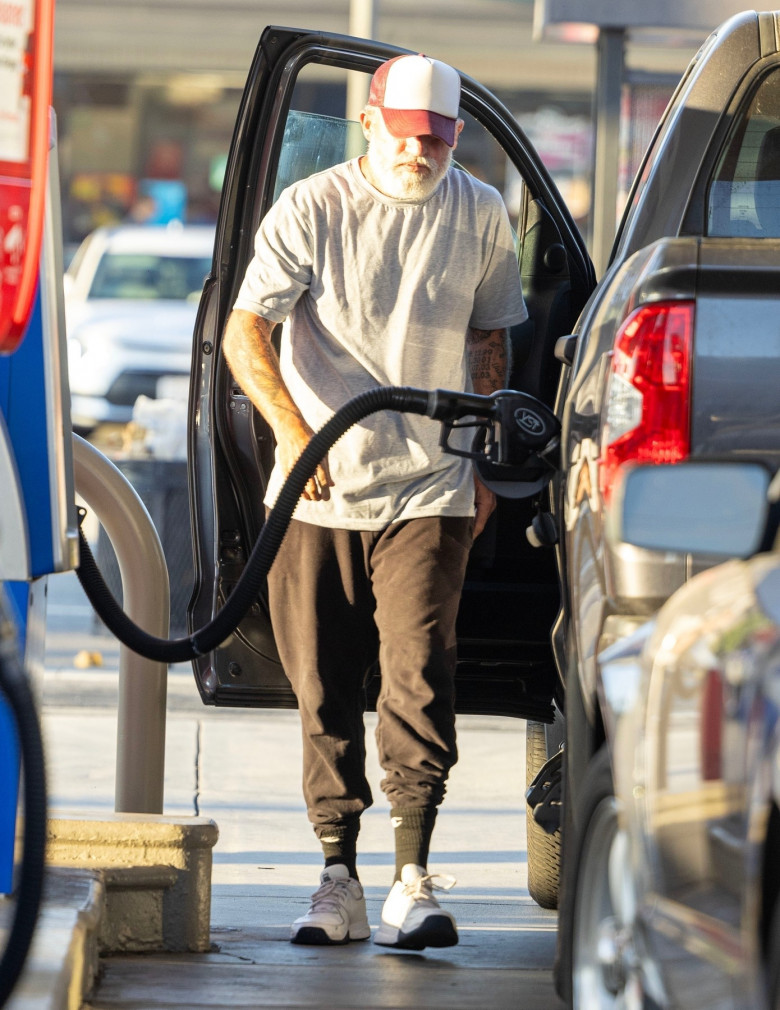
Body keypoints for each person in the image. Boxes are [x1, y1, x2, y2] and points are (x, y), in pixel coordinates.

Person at [222, 52, 527, 951]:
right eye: (404, 135)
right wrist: (289, 430)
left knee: (419, 675)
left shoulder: (479, 211)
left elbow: (488, 341)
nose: (418, 154)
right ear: (369, 123)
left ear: (457, 137)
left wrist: (475, 463)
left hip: (428, 488)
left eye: (436, 139)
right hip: (316, 492)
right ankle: (335, 877)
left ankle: (410, 876)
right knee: (323, 689)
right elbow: (247, 328)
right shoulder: (314, 208)